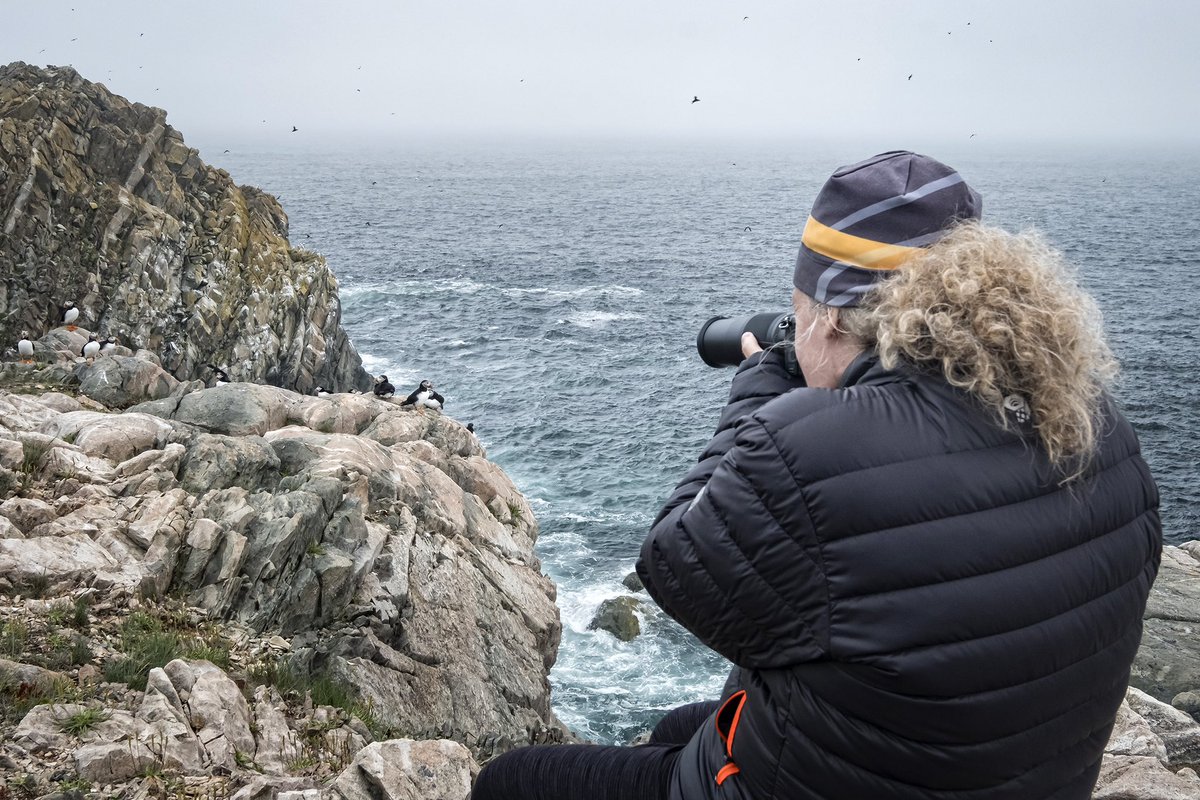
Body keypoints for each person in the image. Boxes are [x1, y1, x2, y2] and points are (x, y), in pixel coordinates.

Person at [472, 151, 1161, 800]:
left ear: (831, 317)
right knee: (682, 726)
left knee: (513, 779)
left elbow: (675, 563)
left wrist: (758, 386)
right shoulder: (1099, 429)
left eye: (797, 312)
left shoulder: (810, 446)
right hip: (1007, 773)